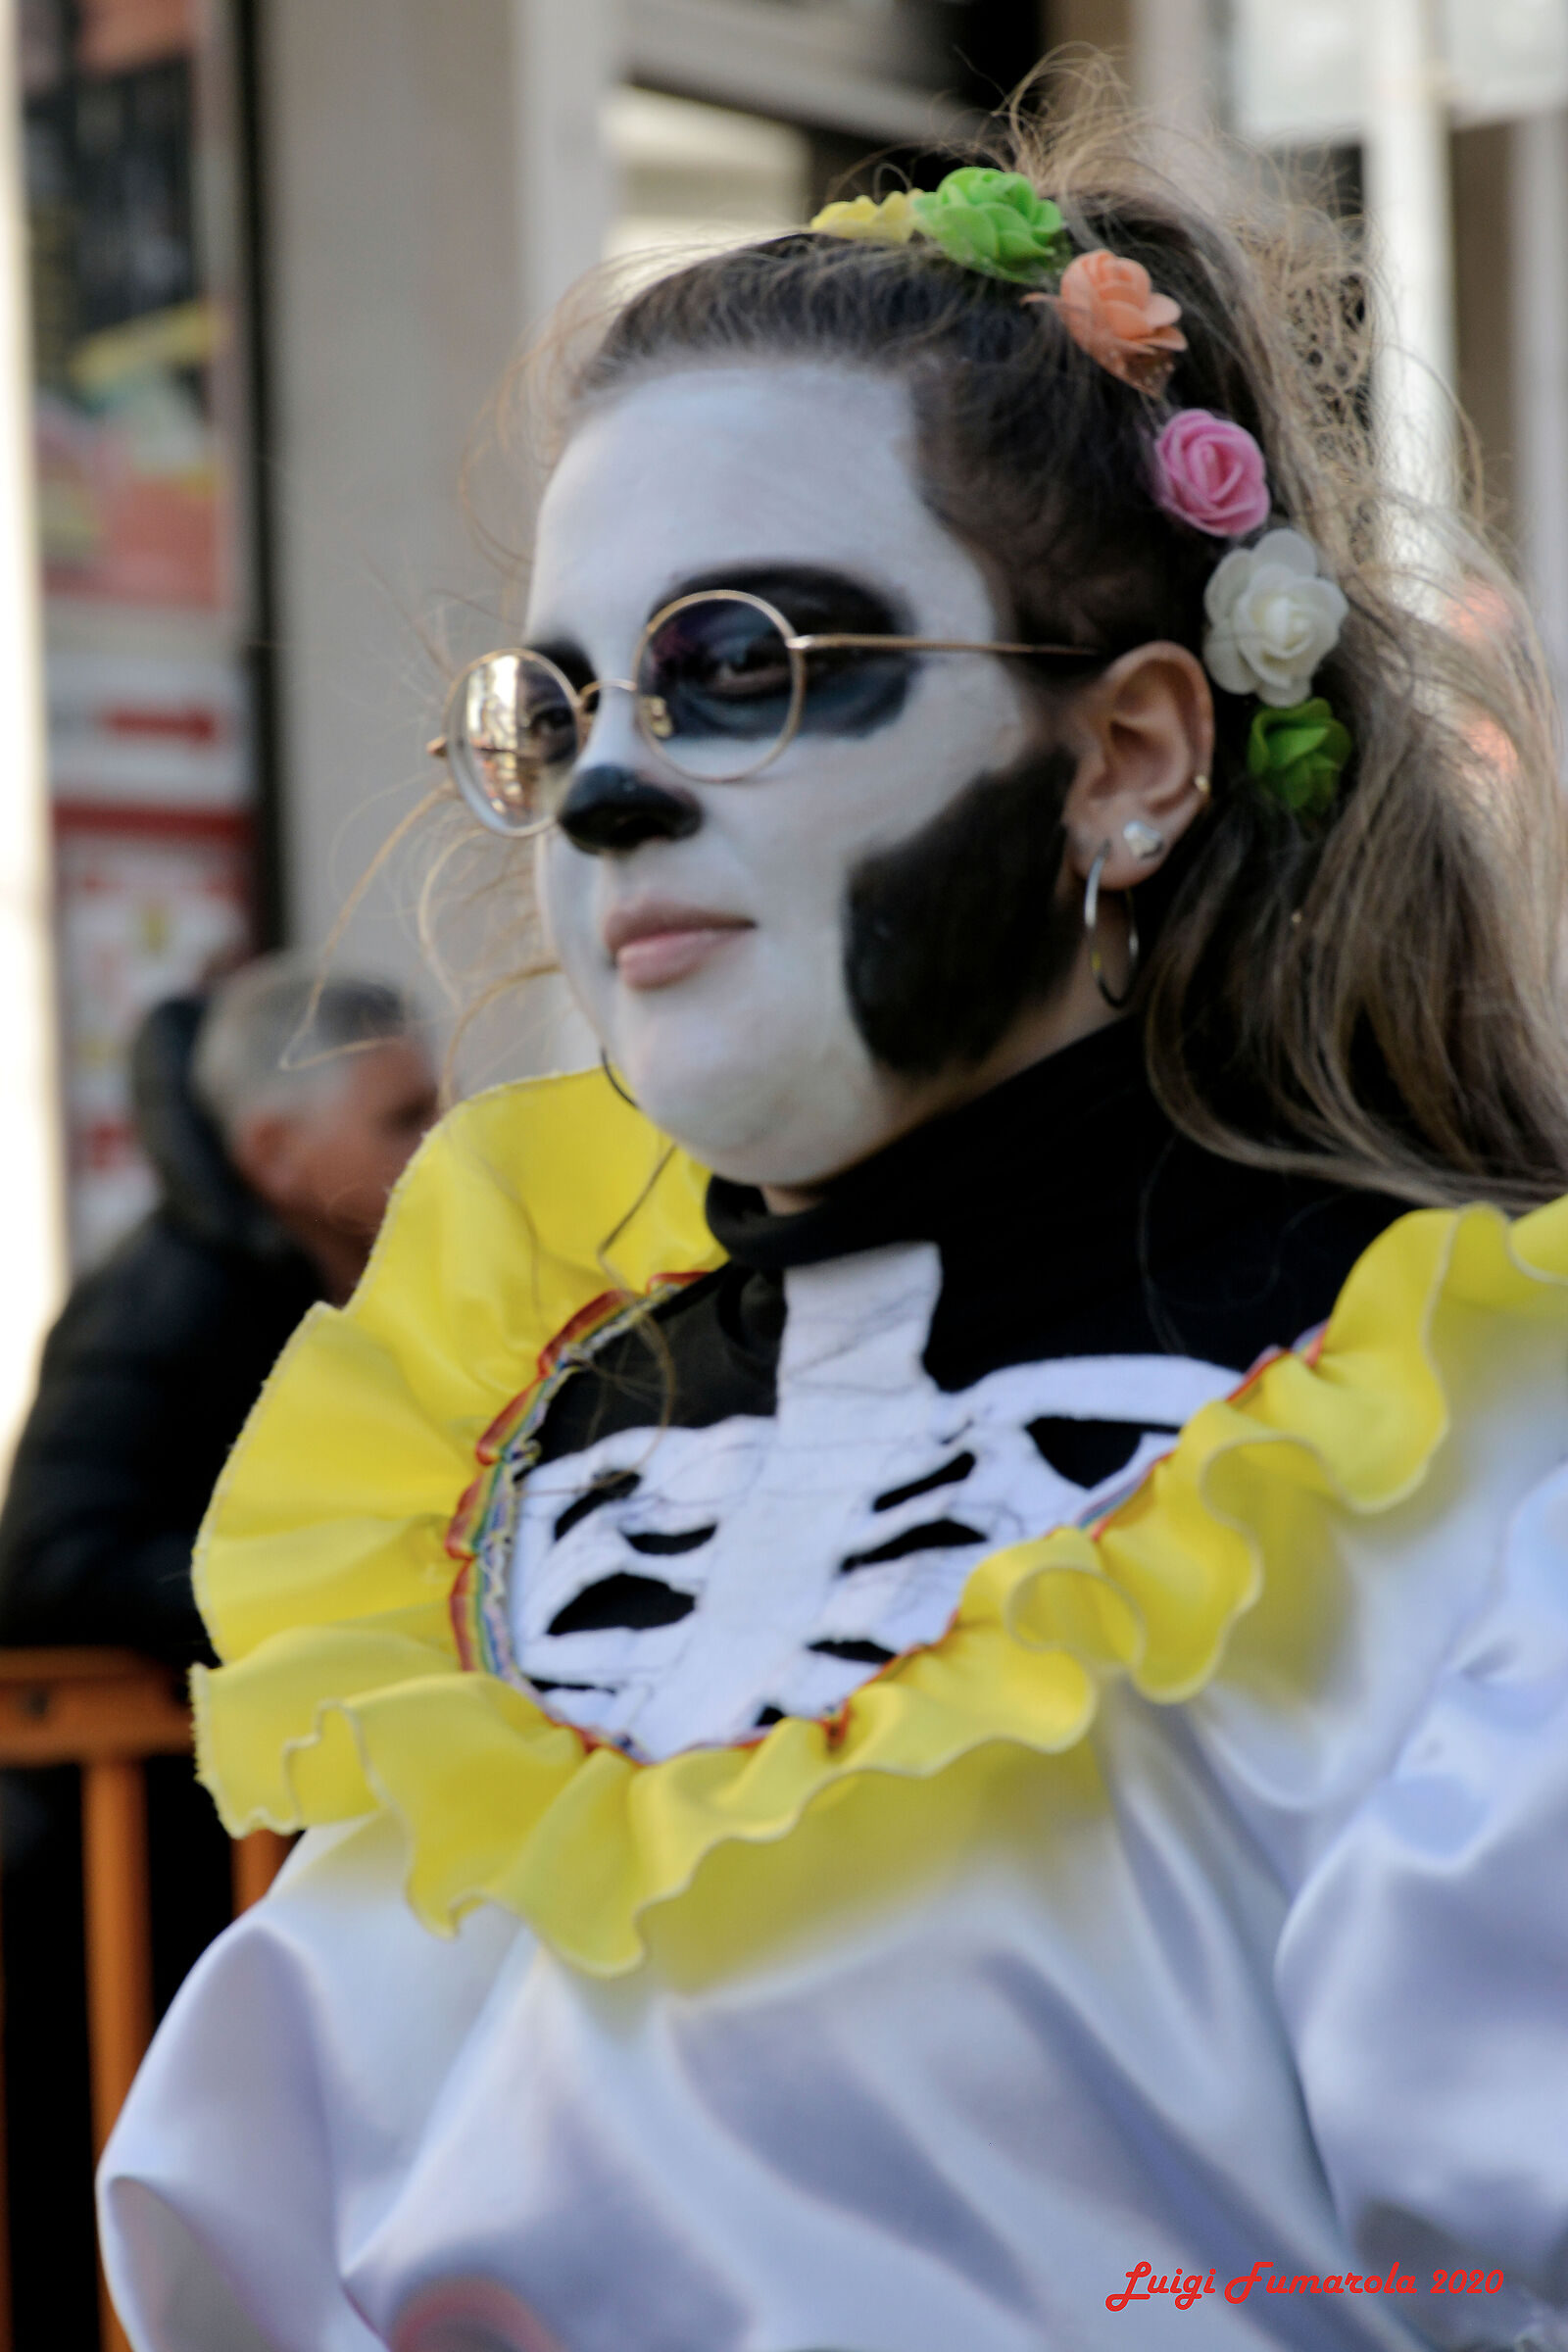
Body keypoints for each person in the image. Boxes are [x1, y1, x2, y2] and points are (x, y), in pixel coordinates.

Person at [100, 89, 1568, 2352]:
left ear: (1132, 756)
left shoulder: (1476, 1451)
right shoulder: (490, 1481)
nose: (604, 786)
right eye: (562, 697)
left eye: (749, 666)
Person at [0, 956, 439, 1661]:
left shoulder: (416, 1274)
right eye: (406, 1118)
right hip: (176, 1757)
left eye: (444, 1107)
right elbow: (46, 1572)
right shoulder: (154, 1308)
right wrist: (317, 1580)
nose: (443, 1140)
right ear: (276, 1154)